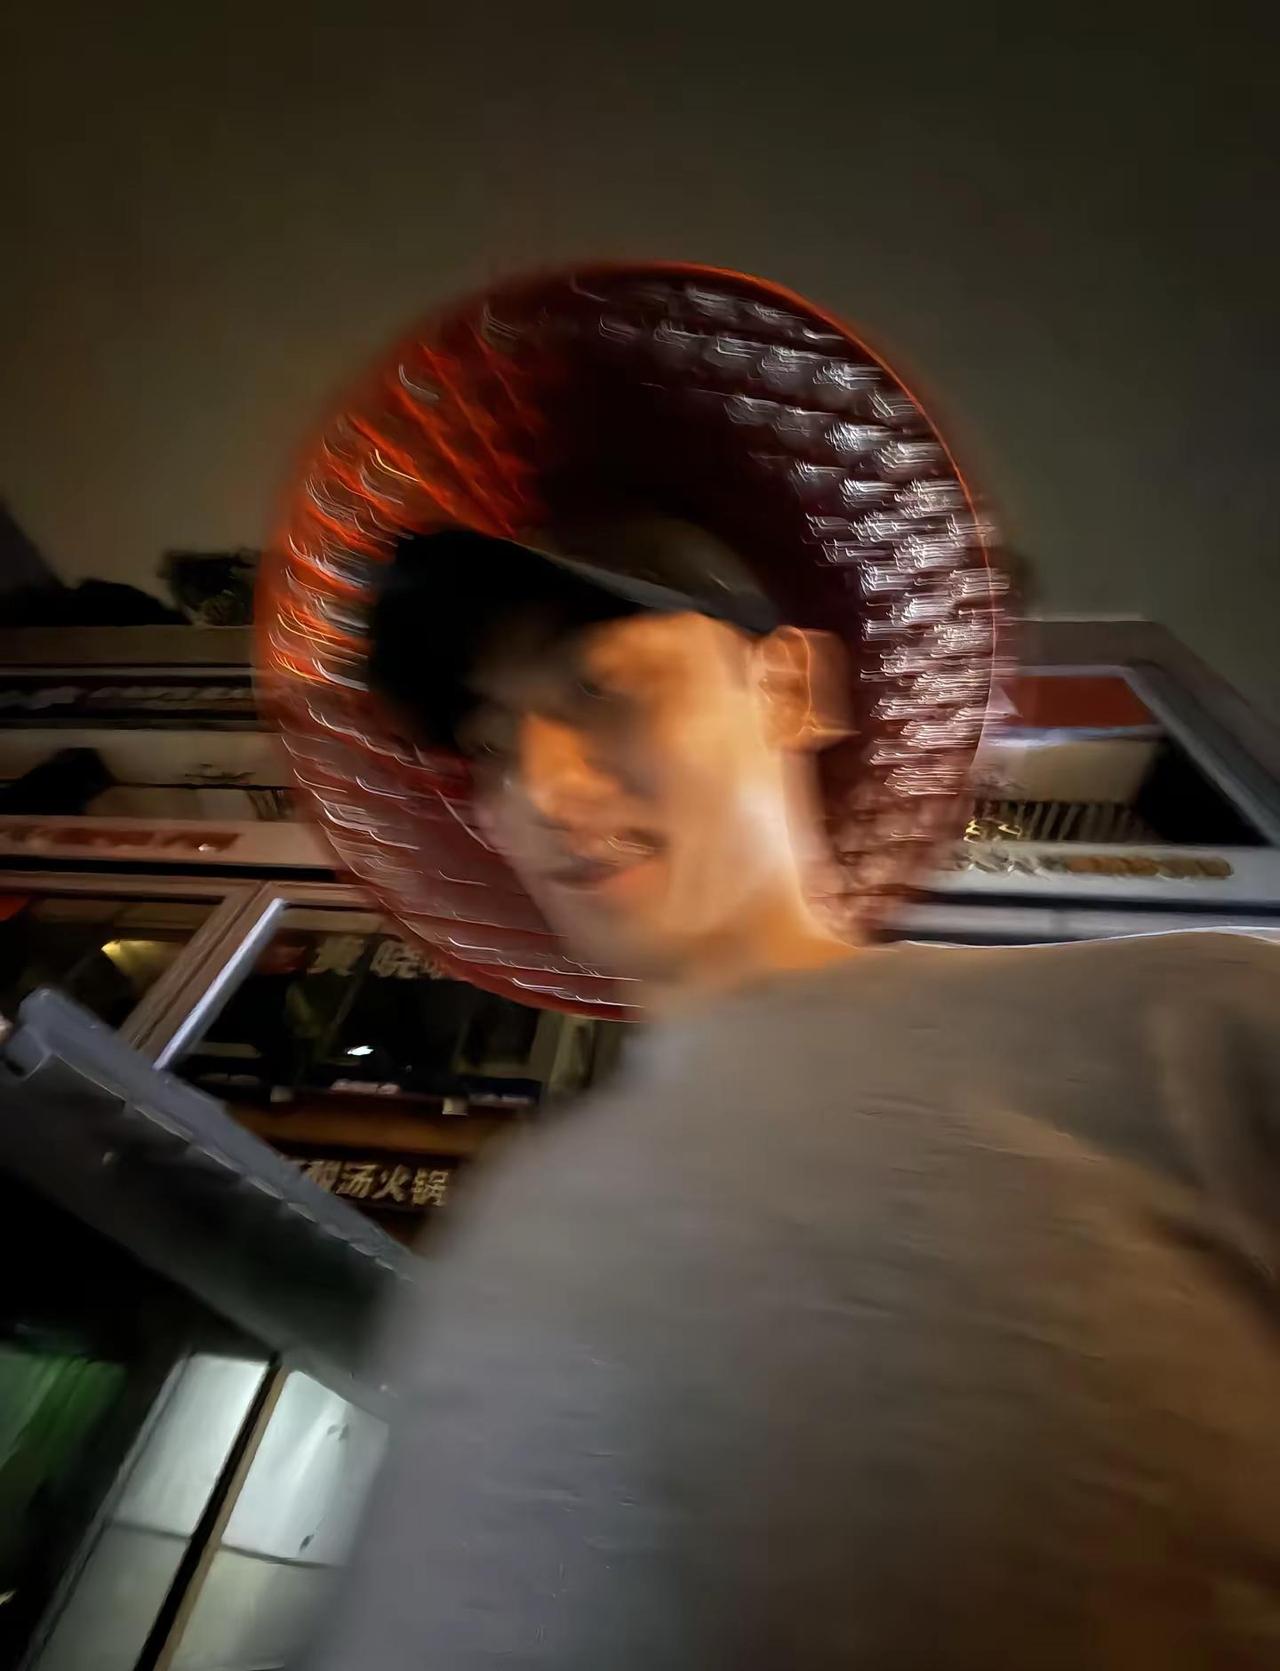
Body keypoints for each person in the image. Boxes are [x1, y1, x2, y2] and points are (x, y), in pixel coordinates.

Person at [297, 507, 1280, 1669]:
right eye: (491, 742)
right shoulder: (509, 1218)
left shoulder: (1190, 1030)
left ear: (790, 689)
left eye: (599, 688)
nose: (540, 791)